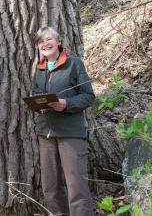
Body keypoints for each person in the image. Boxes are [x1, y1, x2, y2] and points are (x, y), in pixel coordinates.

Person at [32, 26, 95, 216]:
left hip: (70, 133)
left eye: (49, 39)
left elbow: (88, 96)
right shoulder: (40, 69)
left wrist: (66, 103)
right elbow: (37, 94)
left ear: (58, 42)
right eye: (41, 41)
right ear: (37, 46)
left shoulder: (74, 64)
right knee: (50, 187)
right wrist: (39, 104)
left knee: (76, 186)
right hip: (46, 134)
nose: (45, 44)